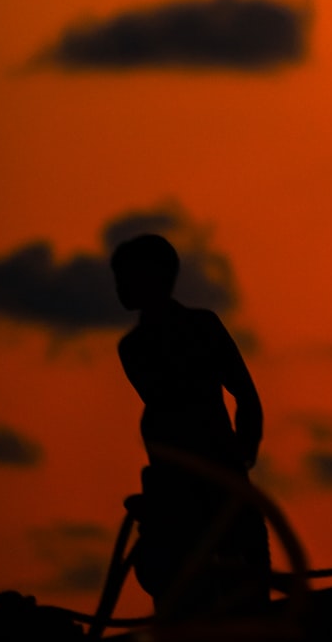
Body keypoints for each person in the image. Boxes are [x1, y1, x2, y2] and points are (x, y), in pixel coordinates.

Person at [111, 232, 267, 608]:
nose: (120, 287)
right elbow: (177, 400)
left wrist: (244, 451)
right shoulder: (135, 347)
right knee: (183, 590)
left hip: (212, 471)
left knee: (241, 579)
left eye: (127, 277)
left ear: (156, 278)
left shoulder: (197, 328)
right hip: (174, 479)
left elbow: (243, 394)